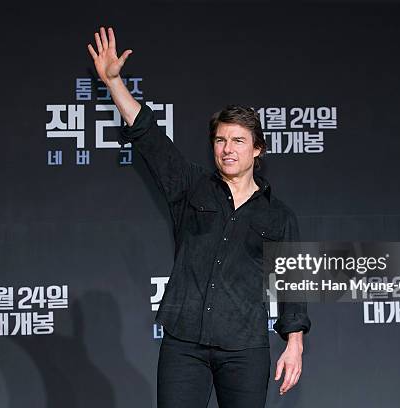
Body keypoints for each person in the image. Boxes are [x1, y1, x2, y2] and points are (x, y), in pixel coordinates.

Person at [88, 26, 310, 408]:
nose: (227, 149)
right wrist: (114, 83)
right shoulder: (190, 187)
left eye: (238, 141)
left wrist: (294, 344)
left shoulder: (279, 215)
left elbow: (293, 286)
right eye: (220, 140)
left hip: (244, 349)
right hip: (184, 345)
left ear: (257, 149)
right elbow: (149, 137)